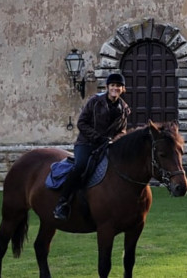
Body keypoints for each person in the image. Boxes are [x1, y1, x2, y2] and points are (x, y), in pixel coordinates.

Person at [53, 72, 131, 220]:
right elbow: (81, 123)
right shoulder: (95, 101)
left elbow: (122, 131)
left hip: (107, 146)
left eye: (118, 86)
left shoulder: (124, 109)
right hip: (86, 143)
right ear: (107, 87)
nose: (115, 88)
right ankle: (62, 202)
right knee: (81, 166)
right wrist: (98, 137)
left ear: (123, 89)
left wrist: (114, 140)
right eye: (113, 85)